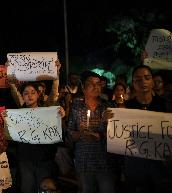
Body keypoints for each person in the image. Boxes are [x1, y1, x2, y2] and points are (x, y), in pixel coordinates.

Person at [8, 82, 65, 193]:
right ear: (22, 96)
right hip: (25, 159)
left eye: (33, 92)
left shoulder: (47, 112)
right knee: (27, 188)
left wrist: (60, 115)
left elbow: (54, 94)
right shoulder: (18, 114)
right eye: (26, 93)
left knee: (45, 188)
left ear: (38, 94)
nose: (30, 95)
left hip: (44, 159)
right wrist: (5, 119)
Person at [122, 65, 171, 193]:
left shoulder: (165, 105)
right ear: (133, 83)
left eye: (147, 78)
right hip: (135, 167)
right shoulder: (125, 108)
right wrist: (109, 119)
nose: (143, 81)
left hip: (161, 166)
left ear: (152, 81)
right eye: (138, 79)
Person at [68, 70, 117, 193]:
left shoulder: (109, 107)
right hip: (84, 161)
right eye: (91, 83)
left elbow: (117, 134)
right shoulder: (76, 106)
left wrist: (100, 134)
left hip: (104, 161)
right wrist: (80, 133)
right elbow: (70, 133)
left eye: (98, 84)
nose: (96, 86)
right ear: (83, 87)